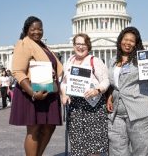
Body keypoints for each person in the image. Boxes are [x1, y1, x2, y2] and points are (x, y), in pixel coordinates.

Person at [106, 27, 148, 156]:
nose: (128, 43)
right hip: (117, 112)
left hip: (141, 111)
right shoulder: (112, 61)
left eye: (132, 41)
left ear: (136, 43)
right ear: (120, 40)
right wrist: (109, 95)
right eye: (125, 39)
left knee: (141, 151)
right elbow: (113, 83)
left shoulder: (142, 59)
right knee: (117, 150)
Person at [9, 16, 63, 156]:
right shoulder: (23, 44)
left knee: (49, 127)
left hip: (48, 92)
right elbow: (18, 71)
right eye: (33, 29)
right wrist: (33, 92)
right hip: (32, 93)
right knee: (34, 130)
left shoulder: (43, 46)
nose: (37, 32)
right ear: (27, 30)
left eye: (40, 29)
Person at [60, 33, 110, 156]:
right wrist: (64, 94)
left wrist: (97, 90)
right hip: (75, 108)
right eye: (78, 44)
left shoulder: (95, 61)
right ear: (73, 46)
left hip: (94, 107)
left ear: (88, 46)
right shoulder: (69, 61)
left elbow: (106, 81)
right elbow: (64, 82)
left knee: (94, 146)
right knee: (77, 145)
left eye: (83, 44)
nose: (80, 47)